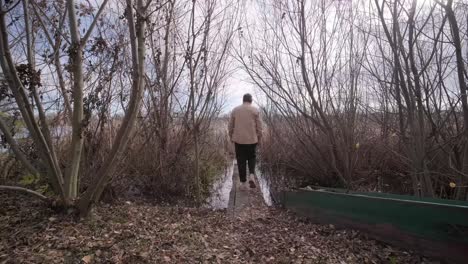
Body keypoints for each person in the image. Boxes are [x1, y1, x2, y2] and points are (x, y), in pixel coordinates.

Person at [228, 93, 263, 191]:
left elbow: (230, 125)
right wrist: (259, 137)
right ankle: (251, 175)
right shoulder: (255, 110)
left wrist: (231, 135)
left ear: (243, 100)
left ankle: (243, 183)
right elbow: (259, 126)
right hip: (252, 139)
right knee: (252, 157)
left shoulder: (235, 110)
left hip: (239, 140)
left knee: (241, 160)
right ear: (251, 101)